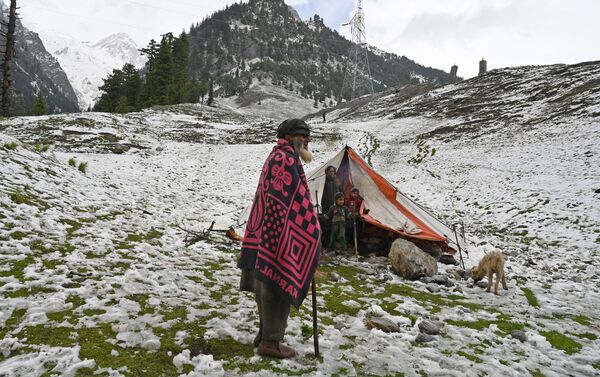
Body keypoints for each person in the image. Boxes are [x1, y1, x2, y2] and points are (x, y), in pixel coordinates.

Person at [238, 119, 321, 359]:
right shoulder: (285, 159)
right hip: (277, 235)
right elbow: (286, 202)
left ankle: (265, 334)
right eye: (303, 136)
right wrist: (309, 231)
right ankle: (271, 343)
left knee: (266, 286)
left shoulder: (278, 156)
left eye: (308, 136)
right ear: (290, 137)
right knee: (275, 286)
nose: (307, 141)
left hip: (265, 233)